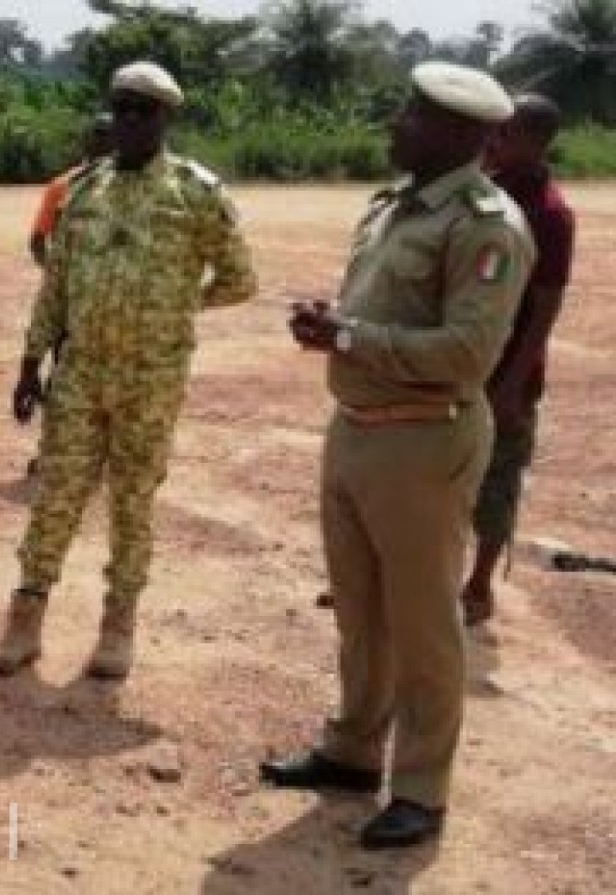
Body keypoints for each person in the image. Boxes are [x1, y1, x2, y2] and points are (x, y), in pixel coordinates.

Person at [263, 62, 534, 850]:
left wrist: (347, 335)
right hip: (358, 427)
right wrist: (335, 319)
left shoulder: (486, 224)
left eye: (414, 112)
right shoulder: (393, 206)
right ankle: (352, 751)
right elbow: (382, 312)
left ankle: (420, 788)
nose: (396, 120)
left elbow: (465, 353)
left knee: (422, 622)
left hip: (425, 435)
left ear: (461, 135)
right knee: (361, 609)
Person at [0, 62, 257, 681]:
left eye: (143, 110)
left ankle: (117, 629)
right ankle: (23, 625)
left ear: (166, 117)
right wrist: (30, 362)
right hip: (79, 374)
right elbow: (55, 287)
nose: (128, 121)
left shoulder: (197, 191)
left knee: (132, 502)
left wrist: (180, 305)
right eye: (121, 108)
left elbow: (240, 279)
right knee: (57, 495)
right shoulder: (81, 192)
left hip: (150, 380)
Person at [460, 94, 576, 626]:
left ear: (535, 141)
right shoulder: (482, 189)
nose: (493, 141)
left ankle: (480, 584)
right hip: (462, 359)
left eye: (505, 134)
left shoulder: (550, 214)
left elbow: (546, 306)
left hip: (508, 370)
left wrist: (510, 384)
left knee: (499, 479)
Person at [29, 112, 116, 267]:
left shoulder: (130, 184)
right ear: (87, 140)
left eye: (111, 134)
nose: (104, 141)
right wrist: (54, 274)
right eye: (99, 134)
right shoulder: (62, 185)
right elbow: (37, 241)